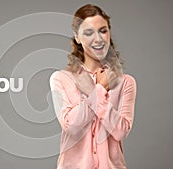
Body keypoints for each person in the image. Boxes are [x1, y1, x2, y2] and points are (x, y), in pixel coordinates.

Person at [49, 4, 137, 169]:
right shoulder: (61, 79)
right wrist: (100, 89)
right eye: (88, 33)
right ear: (77, 37)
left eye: (103, 31)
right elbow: (71, 127)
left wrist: (93, 91)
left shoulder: (125, 82)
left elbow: (120, 131)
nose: (98, 39)